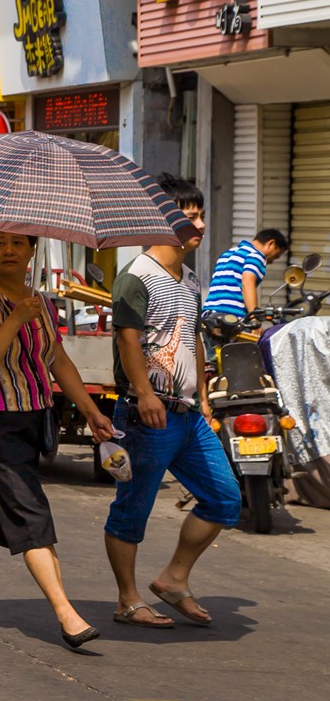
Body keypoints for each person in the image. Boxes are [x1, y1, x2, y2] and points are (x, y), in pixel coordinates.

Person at [0, 230, 115, 650]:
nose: (10, 251)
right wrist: (16, 318)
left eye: (19, 243)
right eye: (0, 243)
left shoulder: (41, 303)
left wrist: (91, 412)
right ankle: (66, 615)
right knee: (32, 516)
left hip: (34, 420)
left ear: (33, 250)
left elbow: (57, 360)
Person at [104, 174, 243, 629]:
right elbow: (128, 340)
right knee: (133, 509)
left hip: (188, 416)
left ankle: (173, 579)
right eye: (190, 215)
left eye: (202, 214)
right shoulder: (135, 277)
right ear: (161, 218)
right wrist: (144, 393)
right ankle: (128, 599)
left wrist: (203, 395)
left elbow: (194, 340)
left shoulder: (190, 278)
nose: (201, 224)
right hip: (149, 414)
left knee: (223, 499)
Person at [202, 227, 288, 339]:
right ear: (271, 243)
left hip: (209, 317)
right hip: (232, 319)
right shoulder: (256, 255)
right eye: (276, 256)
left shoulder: (227, 253)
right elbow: (247, 283)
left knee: (215, 355)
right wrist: (254, 320)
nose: (271, 261)